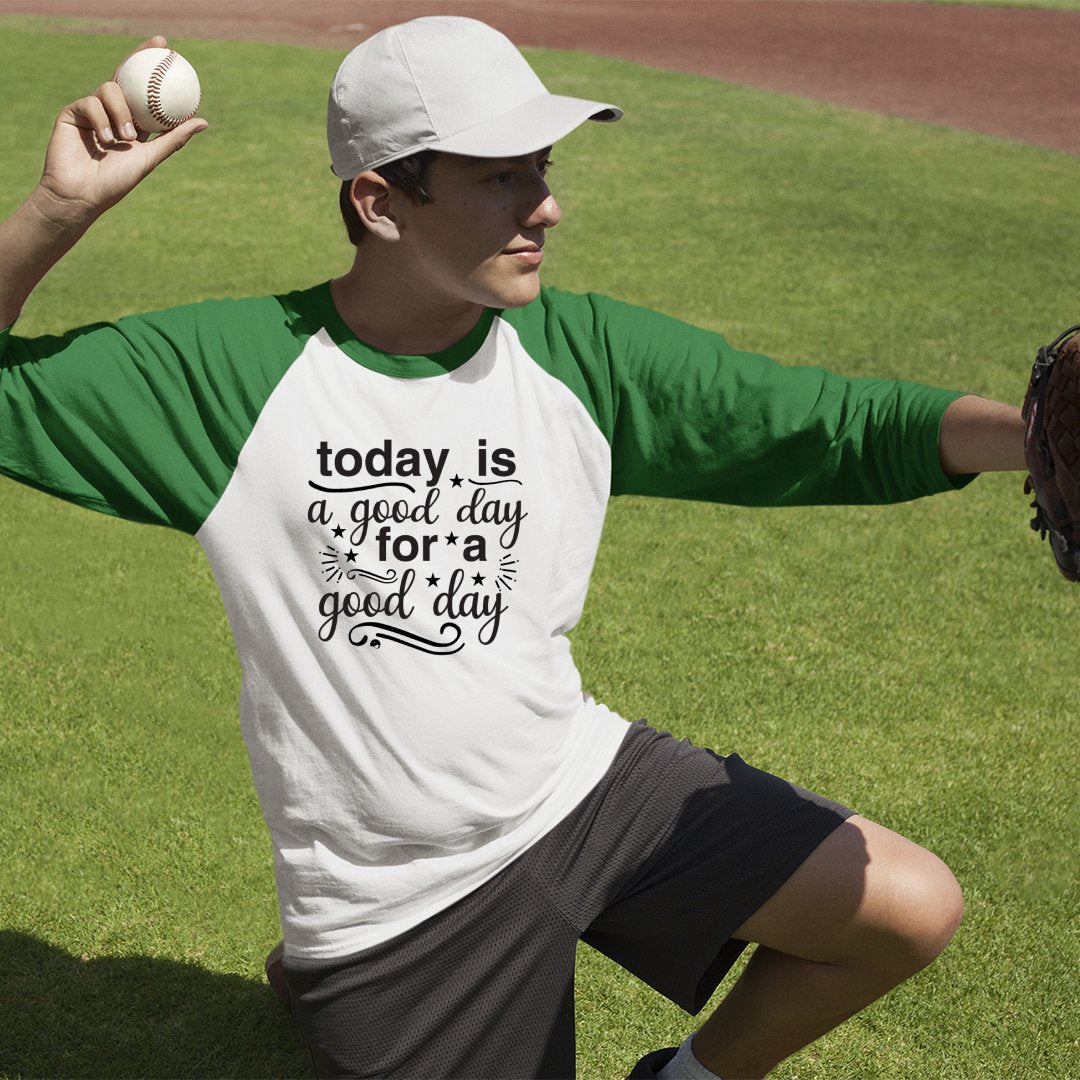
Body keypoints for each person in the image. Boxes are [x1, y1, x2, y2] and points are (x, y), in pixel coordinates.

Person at [0, 16, 1028, 1080]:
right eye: (498, 177)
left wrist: (1036, 437)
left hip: (577, 790)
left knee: (909, 908)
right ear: (381, 201)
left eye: (540, 167)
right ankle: (327, 981)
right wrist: (55, 212)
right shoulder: (228, 376)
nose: (546, 205)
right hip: (396, 897)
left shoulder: (581, 355)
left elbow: (829, 423)